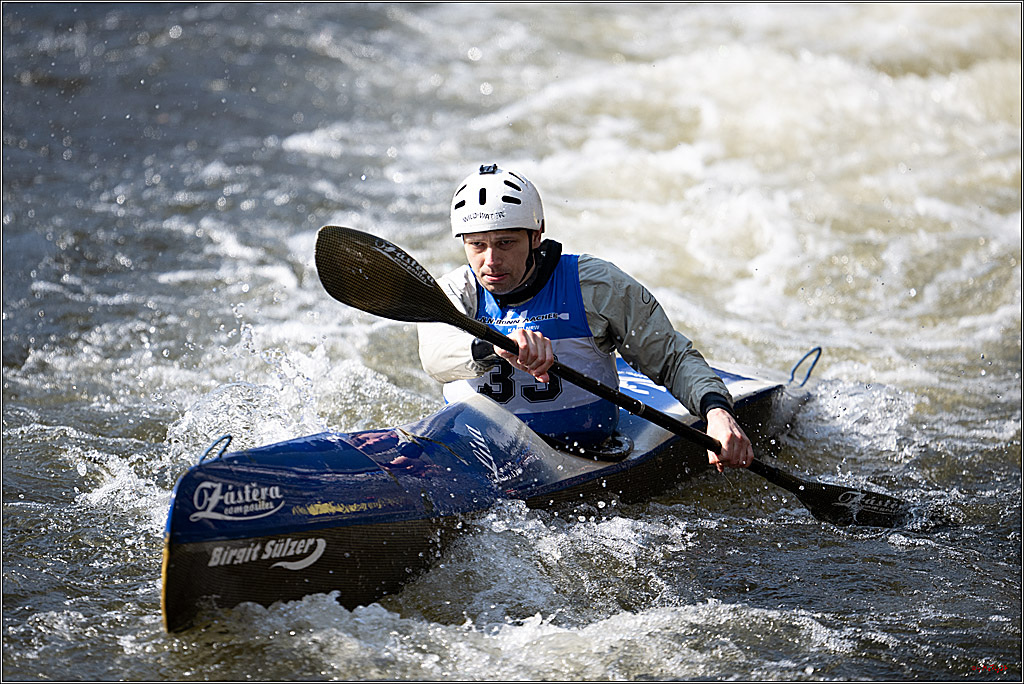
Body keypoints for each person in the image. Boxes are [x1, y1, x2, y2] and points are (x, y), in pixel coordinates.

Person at [417, 164, 753, 471]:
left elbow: (670, 358)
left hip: (581, 453)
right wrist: (493, 346)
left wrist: (717, 412)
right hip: (475, 454)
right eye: (477, 245)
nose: (490, 260)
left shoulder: (595, 285)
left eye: (505, 243)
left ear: (536, 235)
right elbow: (433, 357)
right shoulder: (455, 292)